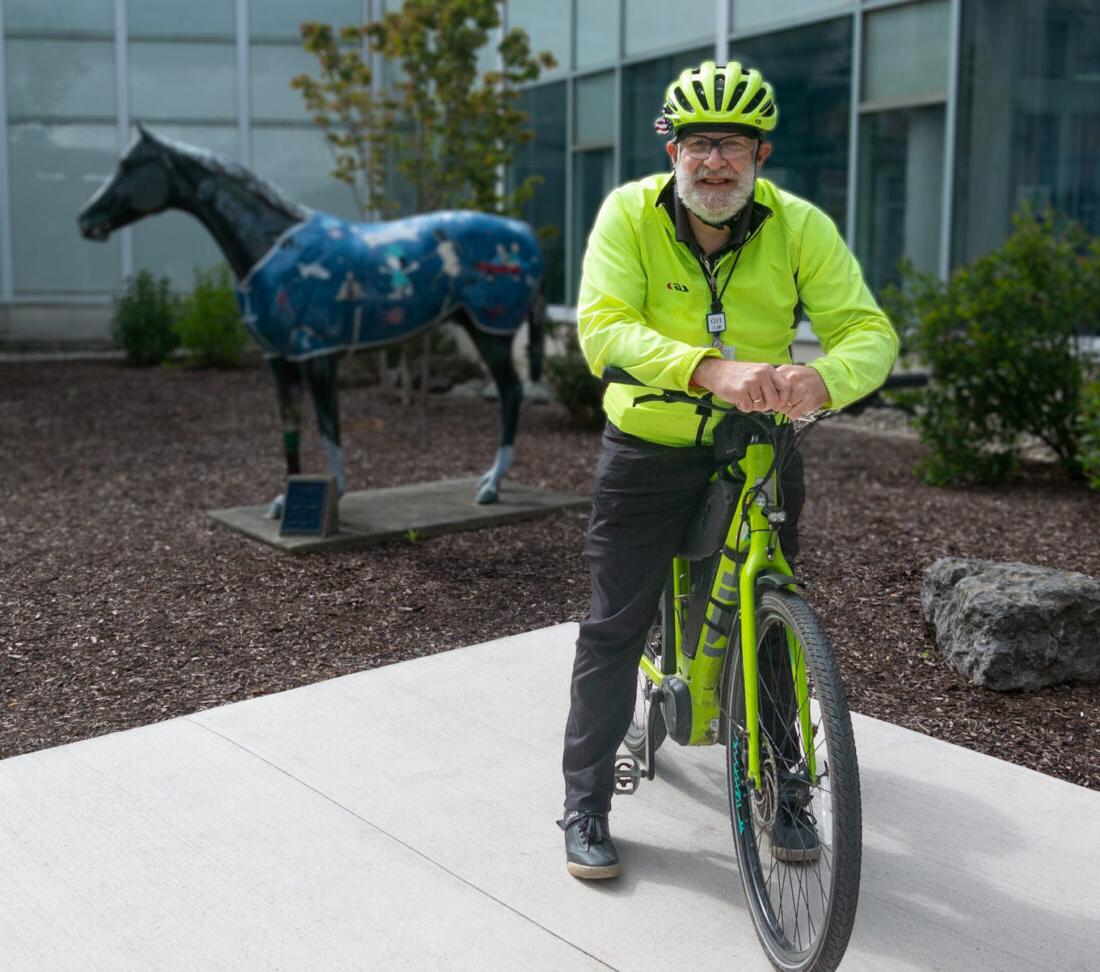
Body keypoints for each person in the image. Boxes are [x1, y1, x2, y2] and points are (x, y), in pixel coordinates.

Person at [559, 60, 898, 879]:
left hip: (757, 447)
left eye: (734, 147)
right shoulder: (628, 215)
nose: (716, 163)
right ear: (672, 148)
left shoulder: (800, 225)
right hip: (648, 445)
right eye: (700, 144)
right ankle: (586, 803)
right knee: (616, 625)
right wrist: (710, 367)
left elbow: (869, 331)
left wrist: (826, 377)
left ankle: (786, 785)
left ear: (761, 155)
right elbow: (602, 329)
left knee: (769, 616)